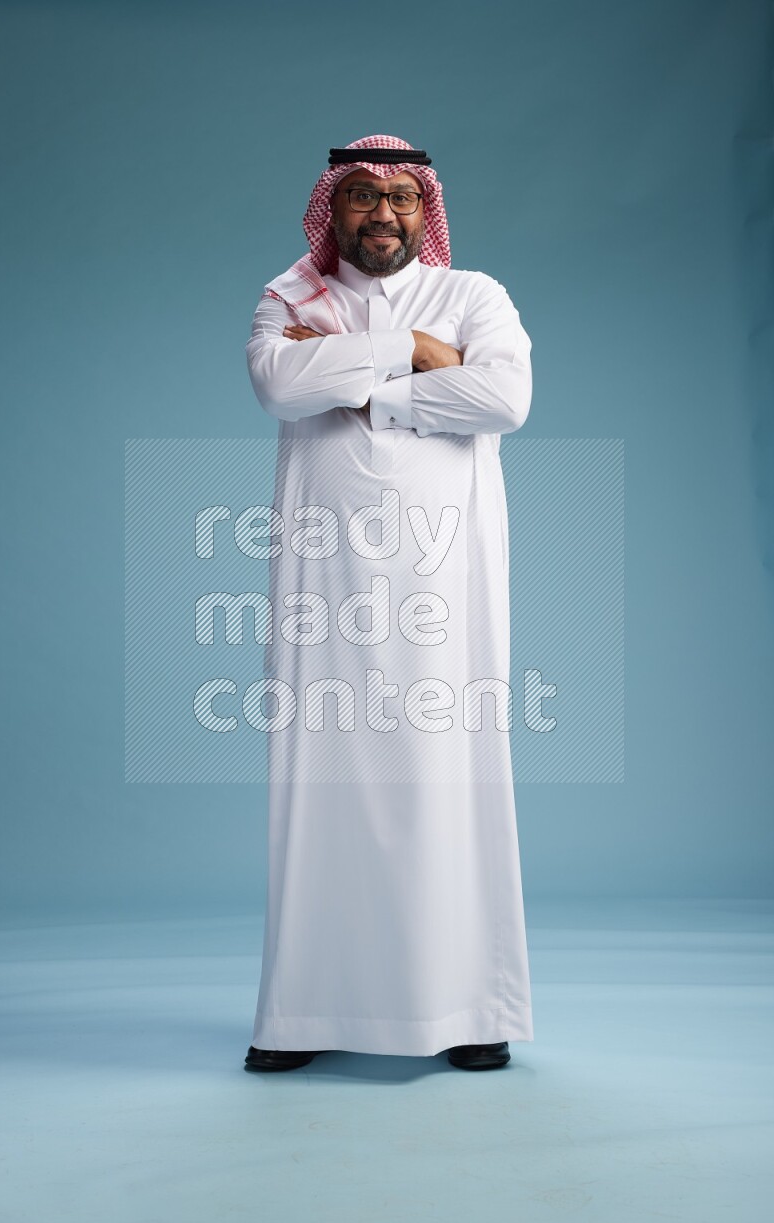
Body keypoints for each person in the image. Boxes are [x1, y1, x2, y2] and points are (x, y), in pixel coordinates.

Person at [244, 134, 534, 1072]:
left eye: (402, 199)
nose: (383, 215)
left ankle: (469, 1010)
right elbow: (278, 385)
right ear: (335, 208)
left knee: (450, 782)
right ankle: (302, 1015)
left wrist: (366, 382)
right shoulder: (292, 294)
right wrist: (410, 353)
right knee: (318, 785)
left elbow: (503, 398)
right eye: (363, 197)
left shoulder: (474, 296)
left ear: (426, 210)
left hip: (444, 589)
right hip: (324, 587)